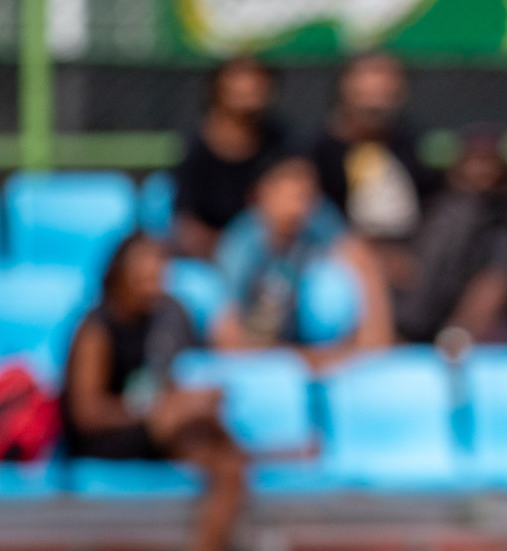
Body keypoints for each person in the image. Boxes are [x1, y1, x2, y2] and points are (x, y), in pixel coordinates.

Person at [62, 233, 245, 551]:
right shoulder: (96, 329)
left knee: (224, 457)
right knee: (181, 419)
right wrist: (155, 413)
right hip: (102, 439)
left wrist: (189, 403)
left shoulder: (165, 319)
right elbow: (86, 414)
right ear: (120, 274)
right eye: (144, 268)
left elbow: (164, 385)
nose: (154, 276)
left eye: (160, 268)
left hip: (150, 429)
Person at [210, 151, 394, 368]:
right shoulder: (240, 246)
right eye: (291, 196)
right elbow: (226, 334)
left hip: (309, 340)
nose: (300, 207)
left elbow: (362, 260)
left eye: (307, 196)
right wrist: (301, 358)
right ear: (263, 194)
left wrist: (373, 348)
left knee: (332, 283)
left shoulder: (318, 220)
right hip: (261, 348)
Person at [390, 125, 507, 346]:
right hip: (413, 330)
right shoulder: (438, 208)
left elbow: (497, 281)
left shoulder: (504, 220)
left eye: (489, 162)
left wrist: (458, 332)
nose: (483, 170)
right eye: (475, 160)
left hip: (473, 342)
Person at [311, 51, 442, 246]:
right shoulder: (319, 153)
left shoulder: (418, 147)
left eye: (384, 96)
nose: (375, 106)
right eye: (366, 96)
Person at [170, 56, 289, 260]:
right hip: (215, 257)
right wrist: (235, 253)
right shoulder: (195, 151)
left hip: (277, 253)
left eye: (255, 77)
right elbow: (187, 229)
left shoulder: (282, 143)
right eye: (239, 76)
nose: (248, 86)